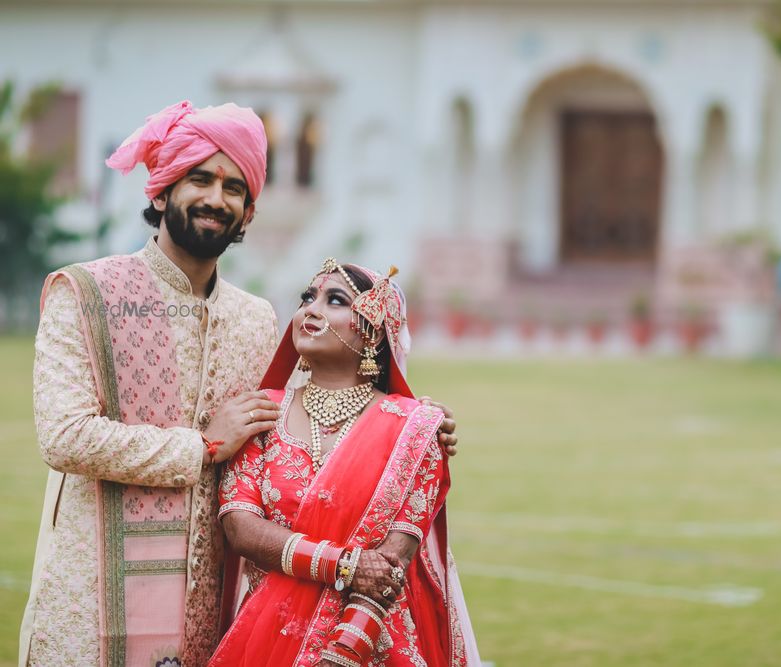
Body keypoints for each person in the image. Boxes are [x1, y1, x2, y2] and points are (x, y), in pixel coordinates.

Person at [19, 100, 459, 667]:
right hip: (95, 592)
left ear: (248, 213)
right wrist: (203, 445)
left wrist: (421, 430)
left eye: (234, 188)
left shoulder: (256, 319)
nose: (216, 199)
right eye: (199, 179)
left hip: (212, 604)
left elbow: (332, 409)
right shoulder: (86, 293)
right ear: (159, 192)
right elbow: (64, 436)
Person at [208, 259, 479, 667]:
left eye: (335, 300)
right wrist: (346, 564)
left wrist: (346, 647)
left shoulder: (415, 427)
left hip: (373, 633)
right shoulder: (261, 415)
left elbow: (395, 557)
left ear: (373, 330)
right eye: (307, 298)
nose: (310, 310)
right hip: (271, 633)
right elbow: (240, 528)